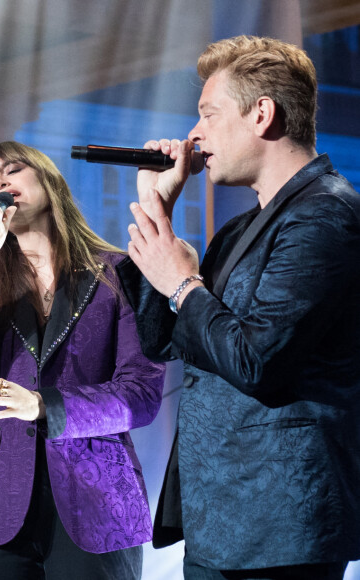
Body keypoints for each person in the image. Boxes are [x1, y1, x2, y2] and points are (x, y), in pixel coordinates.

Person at [117, 35, 360, 579]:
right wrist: (157, 212)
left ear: (262, 114)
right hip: (219, 518)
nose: (193, 134)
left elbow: (257, 359)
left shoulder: (325, 216)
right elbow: (163, 341)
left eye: (208, 113)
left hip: (281, 522)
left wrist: (183, 285)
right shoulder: (238, 230)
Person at [0, 141, 166, 580]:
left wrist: (45, 405)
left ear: (48, 178)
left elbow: (140, 394)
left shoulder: (118, 275)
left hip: (98, 495)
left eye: (11, 172)